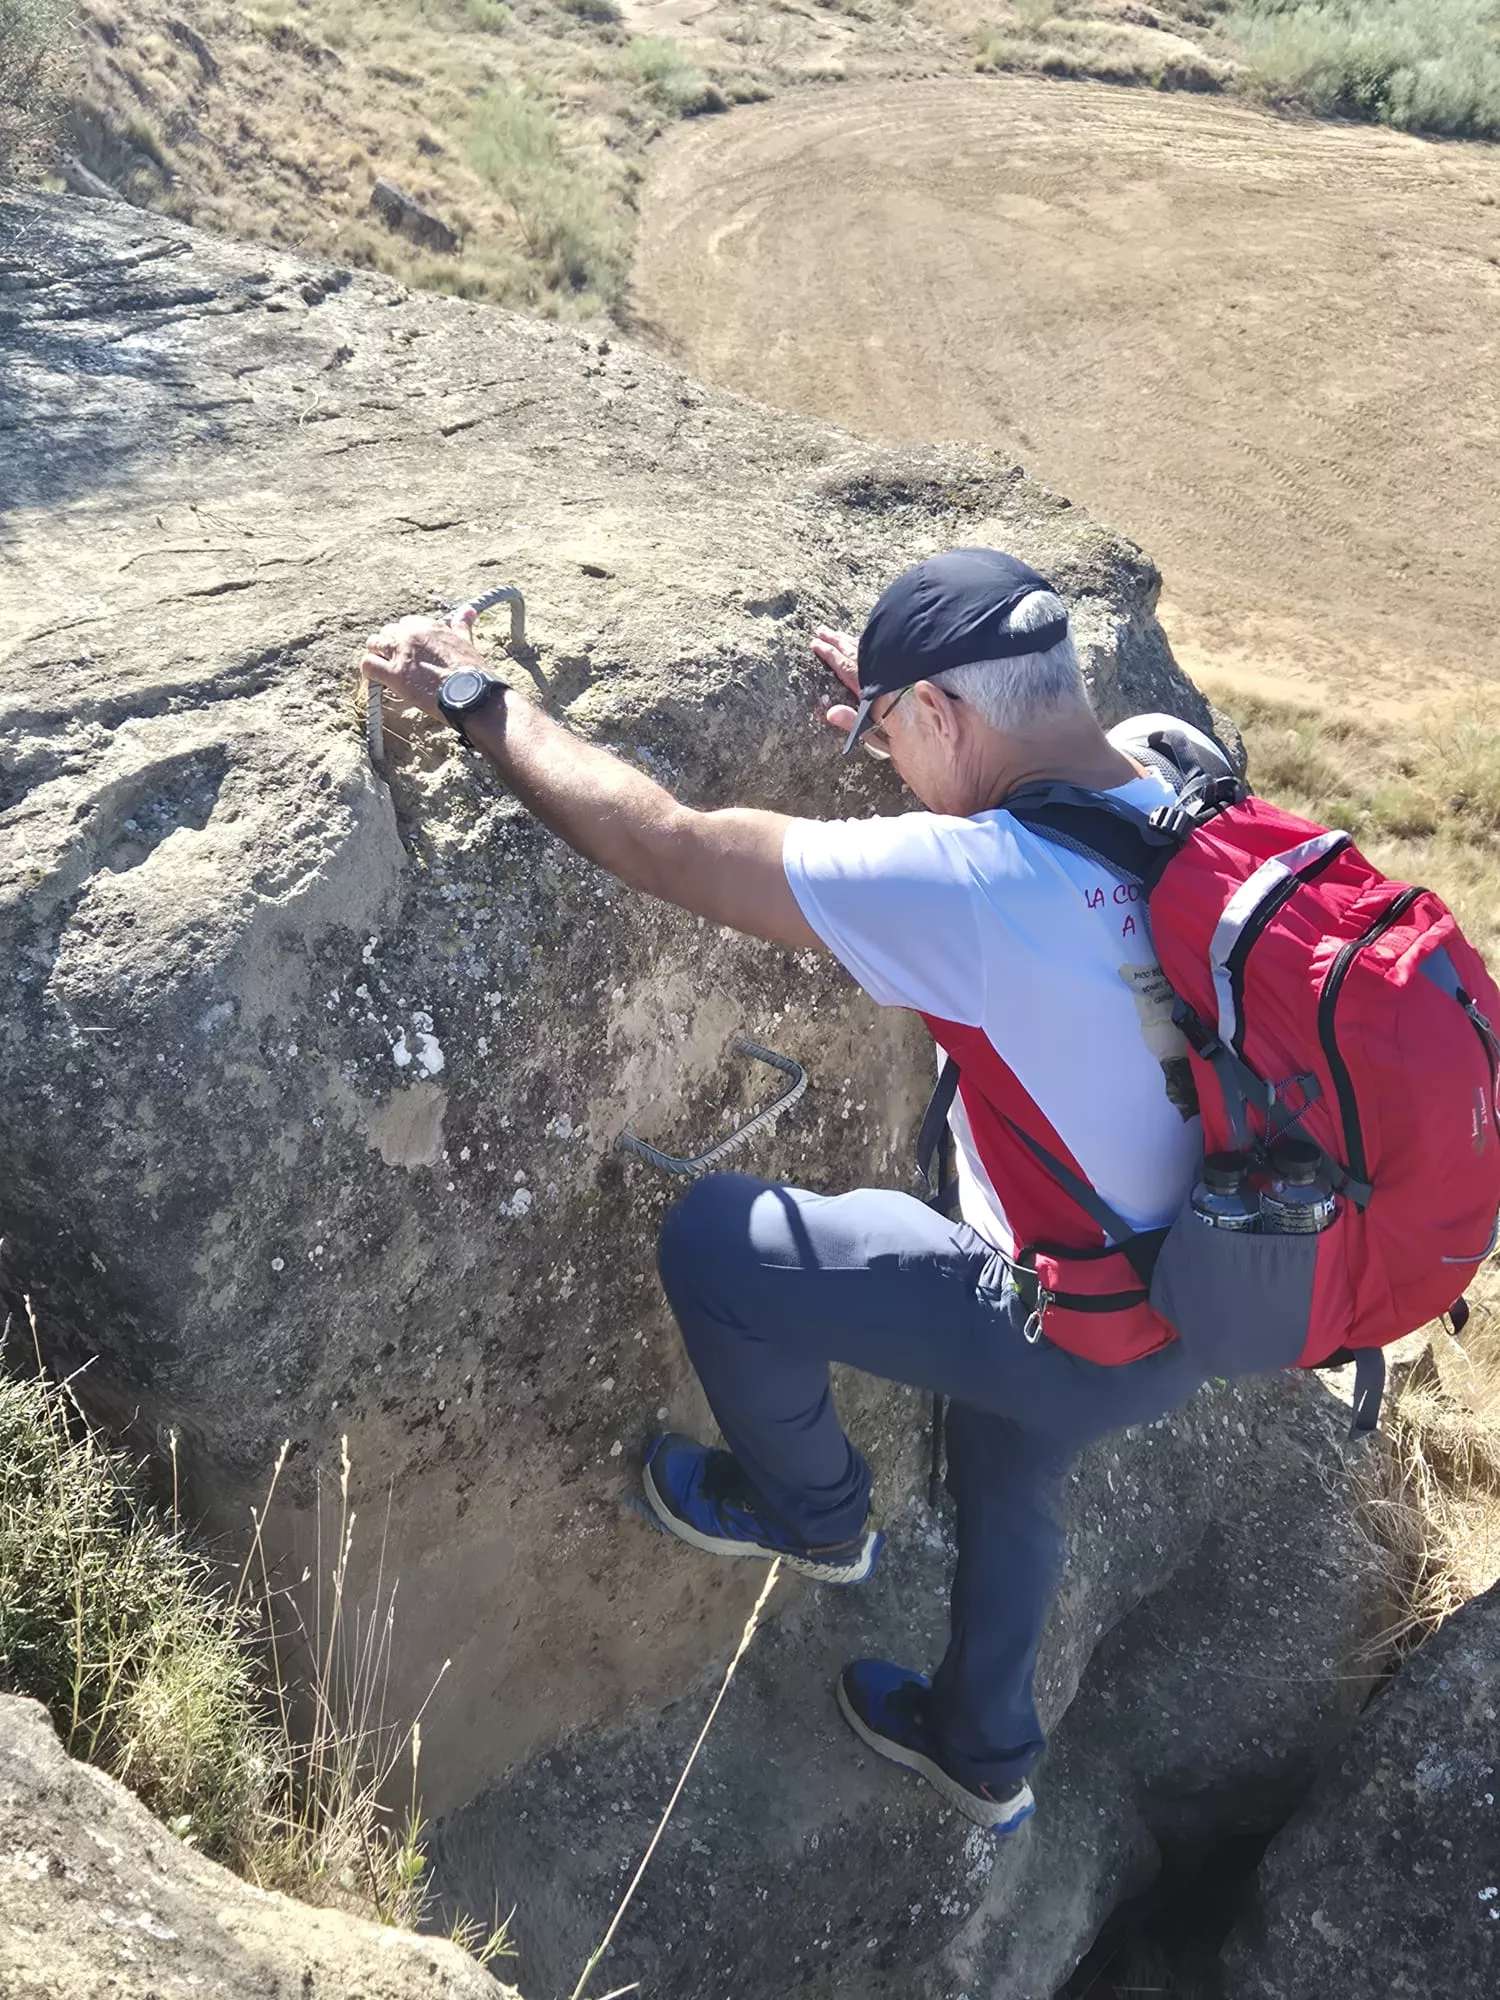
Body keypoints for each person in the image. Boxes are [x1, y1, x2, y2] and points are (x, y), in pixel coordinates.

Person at [360, 547, 1233, 1835]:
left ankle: (812, 1516)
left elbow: (669, 846)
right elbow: (1040, 820)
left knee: (719, 1241)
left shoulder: (971, 887)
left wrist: (483, 697)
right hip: (1215, 1286)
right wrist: (919, 731)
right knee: (1017, 1446)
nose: (887, 746)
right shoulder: (1174, 773)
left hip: (1074, 1309)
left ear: (942, 712)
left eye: (898, 725)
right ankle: (985, 1751)